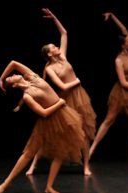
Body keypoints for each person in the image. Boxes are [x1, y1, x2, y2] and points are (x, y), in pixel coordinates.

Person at [25, 8, 96, 176]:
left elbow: (64, 33)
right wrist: (77, 80)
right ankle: (33, 165)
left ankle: (86, 166)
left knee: (84, 131)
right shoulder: (50, 69)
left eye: (56, 46)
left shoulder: (63, 57)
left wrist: (54, 17)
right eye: (54, 47)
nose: (57, 47)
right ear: (50, 54)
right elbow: (62, 87)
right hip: (66, 98)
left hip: (80, 96)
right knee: (54, 132)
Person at [0, 60, 85, 193]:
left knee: (60, 152)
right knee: (29, 153)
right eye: (11, 77)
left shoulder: (33, 77)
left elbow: (14, 63)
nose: (14, 74)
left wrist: (2, 78)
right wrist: (60, 102)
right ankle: (4, 184)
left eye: (12, 75)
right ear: (14, 85)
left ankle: (49, 187)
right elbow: (43, 113)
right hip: (48, 121)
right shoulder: (27, 96)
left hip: (63, 116)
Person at [89, 12, 128, 163]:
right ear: (123, 45)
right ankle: (92, 148)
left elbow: (124, 29)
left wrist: (113, 16)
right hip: (125, 91)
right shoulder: (119, 60)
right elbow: (123, 82)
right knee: (109, 119)